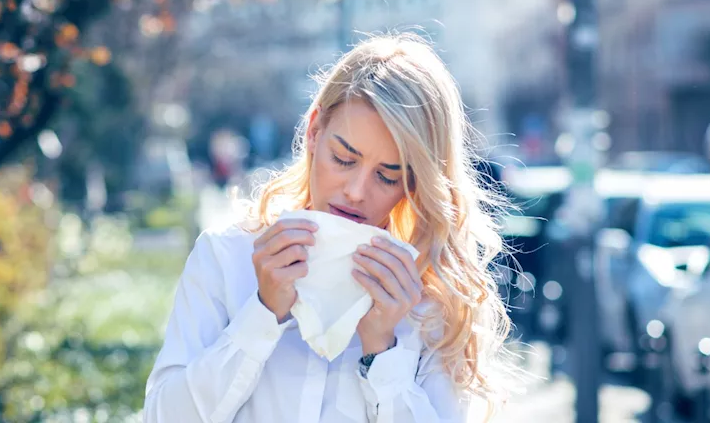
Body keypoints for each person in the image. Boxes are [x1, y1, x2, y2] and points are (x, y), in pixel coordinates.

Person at [143, 34, 518, 422]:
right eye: (343, 159)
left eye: (387, 177)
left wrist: (381, 352)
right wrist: (262, 313)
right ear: (313, 131)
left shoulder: (427, 301)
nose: (356, 192)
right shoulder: (227, 256)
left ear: (414, 184)